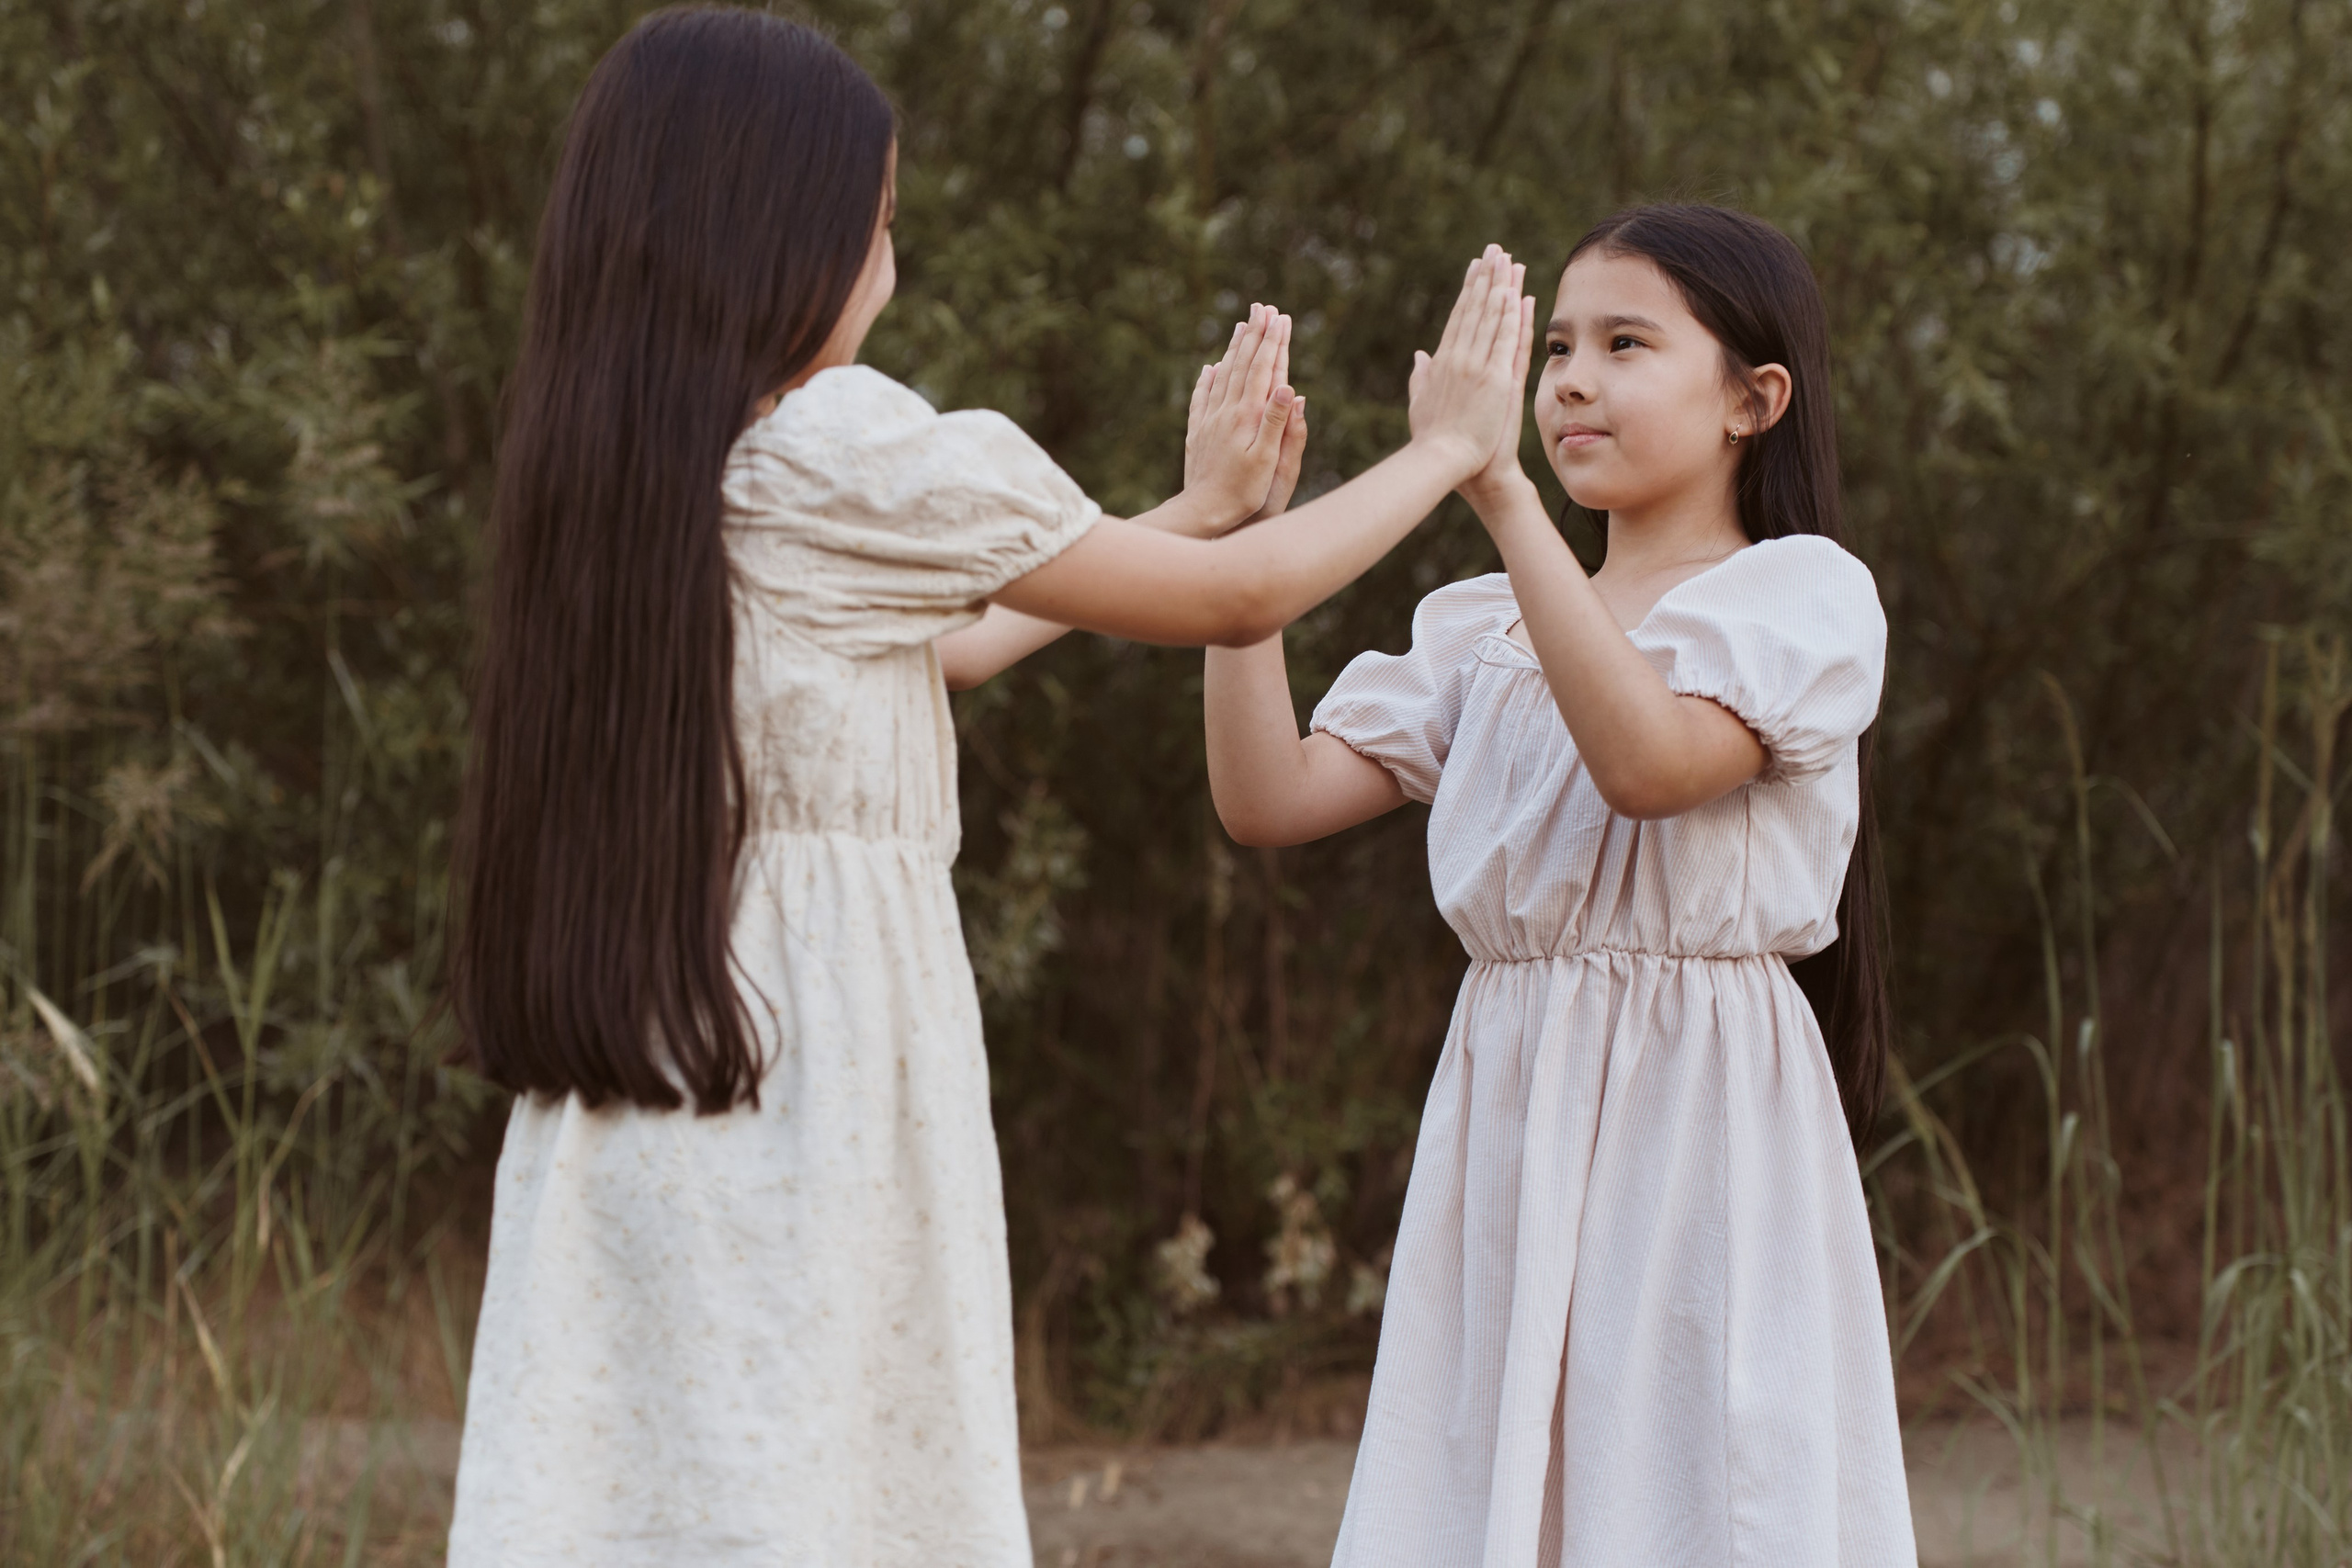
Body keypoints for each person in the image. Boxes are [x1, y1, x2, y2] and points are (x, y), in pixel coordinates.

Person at [441, 8, 1532, 1565]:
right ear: (783, 229)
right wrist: (1445, 454)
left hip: (655, 1073)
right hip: (808, 1071)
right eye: (880, 221)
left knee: (672, 1488)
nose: (891, 259)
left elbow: (940, 645)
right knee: (820, 1492)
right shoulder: (841, 442)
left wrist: (1193, 508)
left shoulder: (635, 464)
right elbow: (1239, 605)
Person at [1203, 203, 1917, 1564]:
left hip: (1701, 1120)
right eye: (1561, 348)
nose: (1573, 380)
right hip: (1513, 1108)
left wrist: (1495, 489)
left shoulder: (1801, 598)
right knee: (1494, 1489)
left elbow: (1649, 760)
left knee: (1693, 1483)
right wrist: (1242, 544)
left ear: (1753, 400)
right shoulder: (1484, 625)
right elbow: (1267, 798)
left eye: (1627, 343)